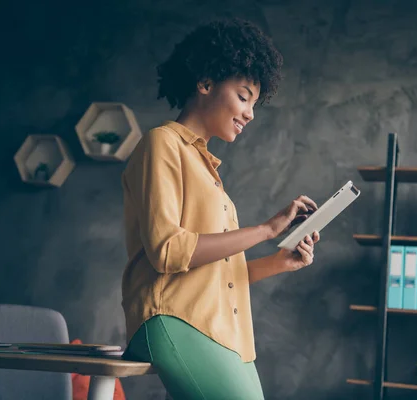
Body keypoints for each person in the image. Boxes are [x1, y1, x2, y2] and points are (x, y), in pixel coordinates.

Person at [120, 17, 320, 400]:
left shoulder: (211, 175)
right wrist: (266, 229)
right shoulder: (161, 144)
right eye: (244, 97)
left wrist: (280, 261)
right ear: (206, 82)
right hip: (173, 318)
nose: (250, 113)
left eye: (254, 104)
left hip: (224, 331)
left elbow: (217, 275)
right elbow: (167, 252)